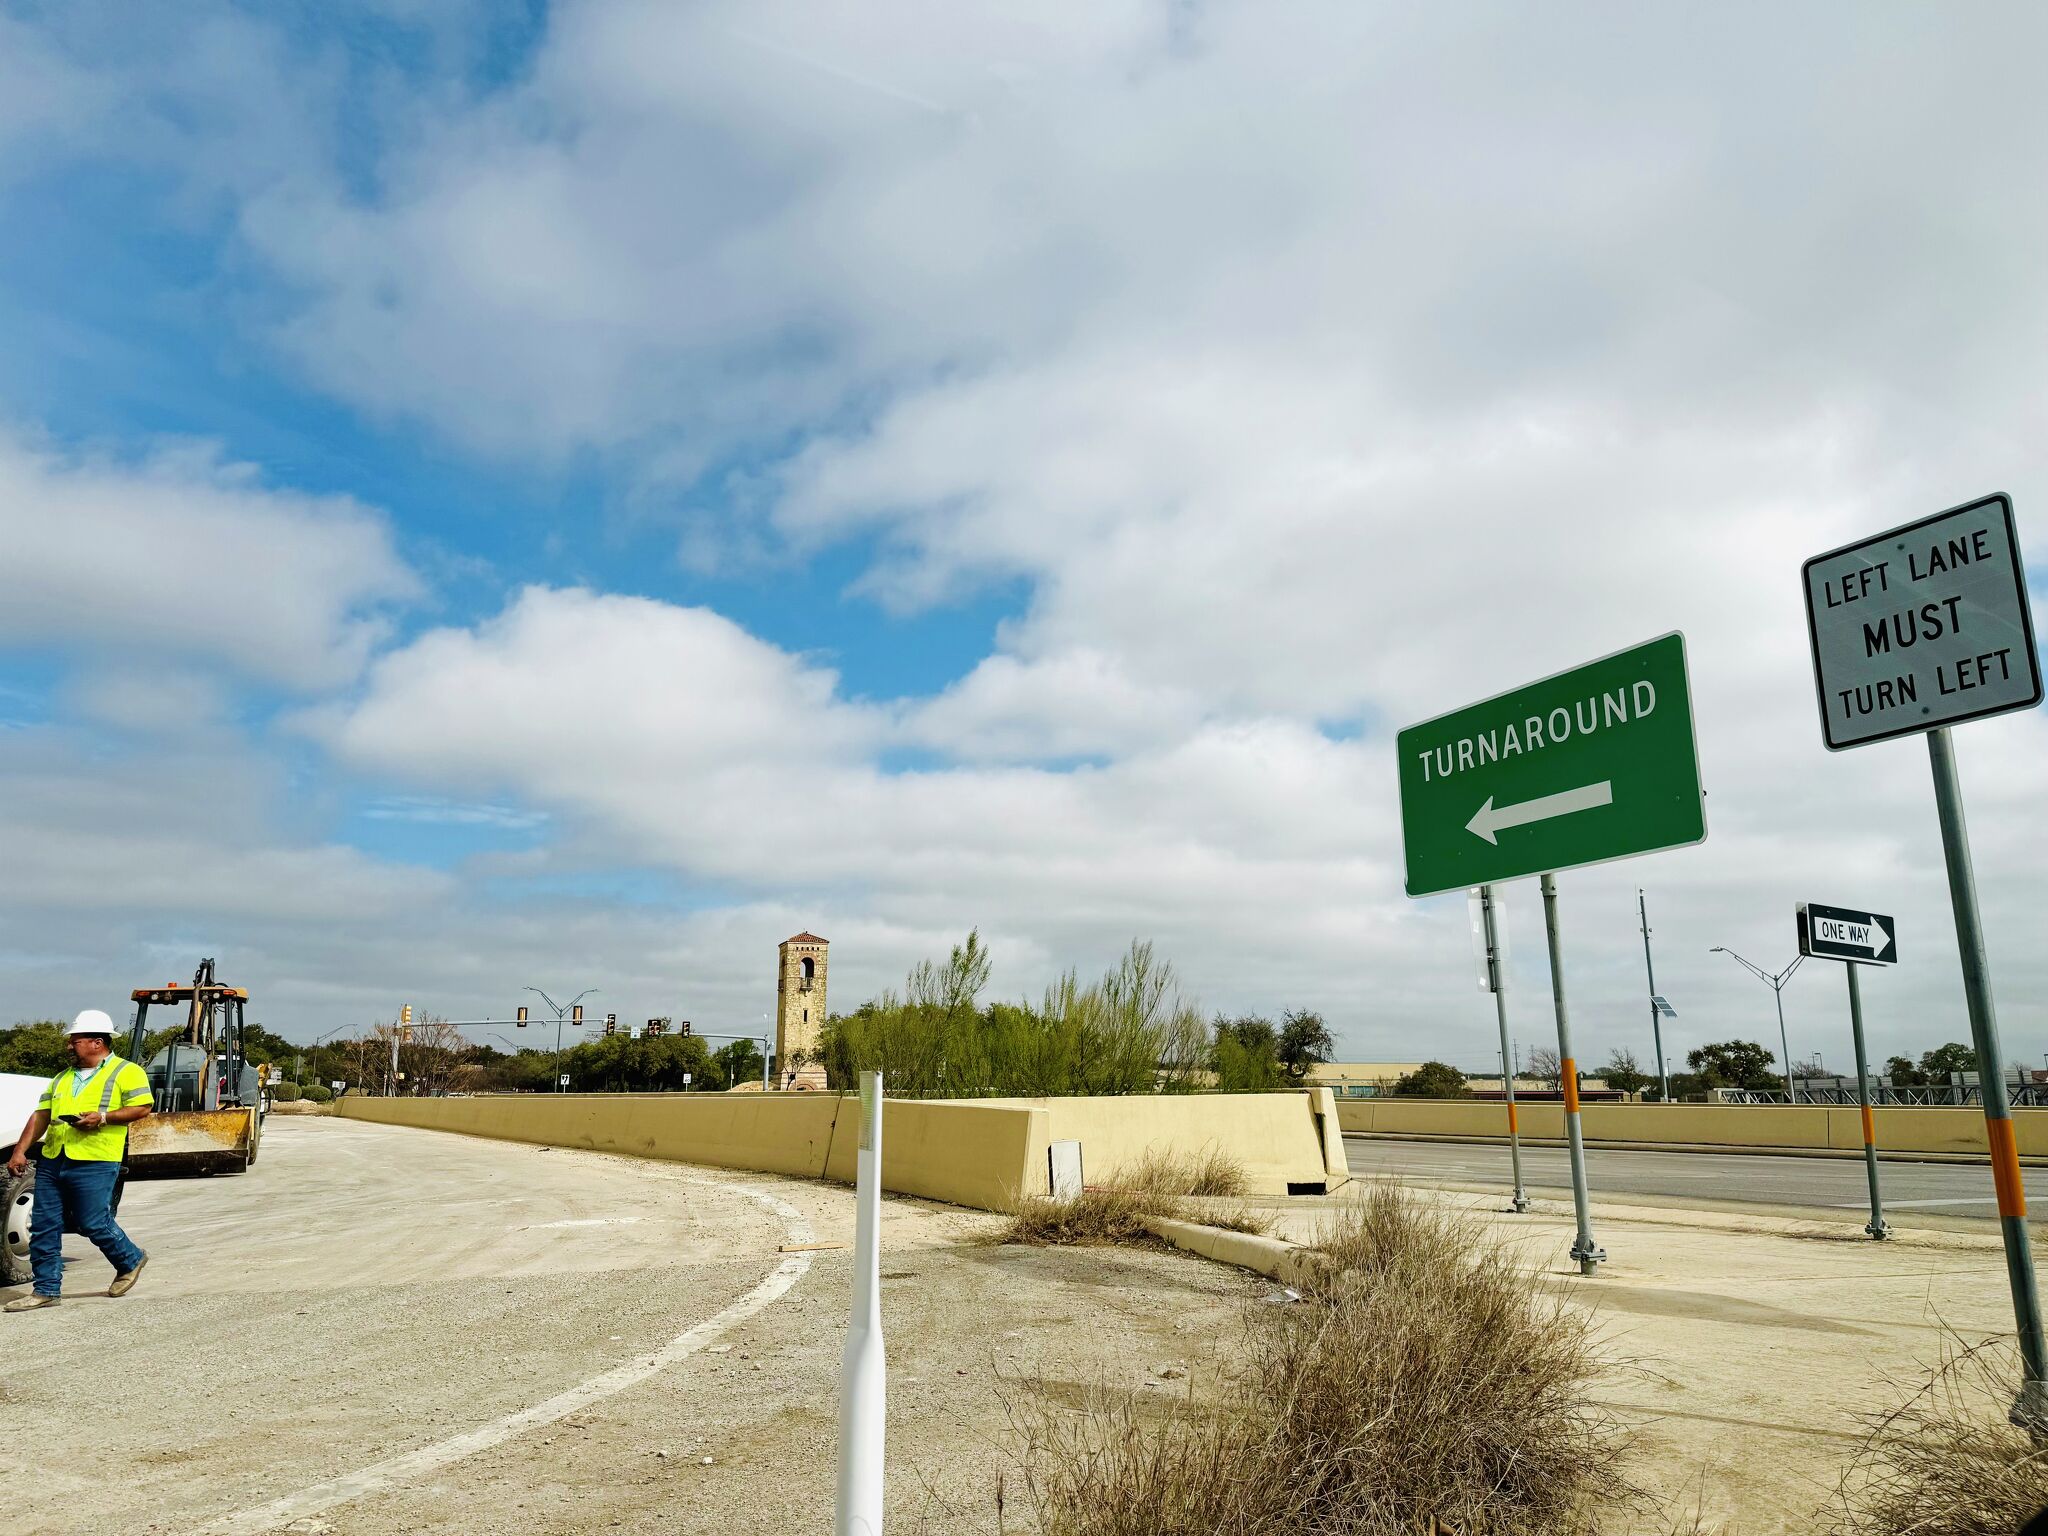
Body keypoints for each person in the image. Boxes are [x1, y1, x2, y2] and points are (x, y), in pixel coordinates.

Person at [4, 1010, 154, 1311]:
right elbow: (42, 1115)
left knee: (92, 1222)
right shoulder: (63, 1077)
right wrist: (19, 1150)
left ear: (97, 1042)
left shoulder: (127, 1072)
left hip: (96, 1158)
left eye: (75, 1040)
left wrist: (103, 1117)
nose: (69, 1046)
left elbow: (142, 1107)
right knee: (44, 1224)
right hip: (54, 1158)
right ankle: (46, 1289)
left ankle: (130, 1258)